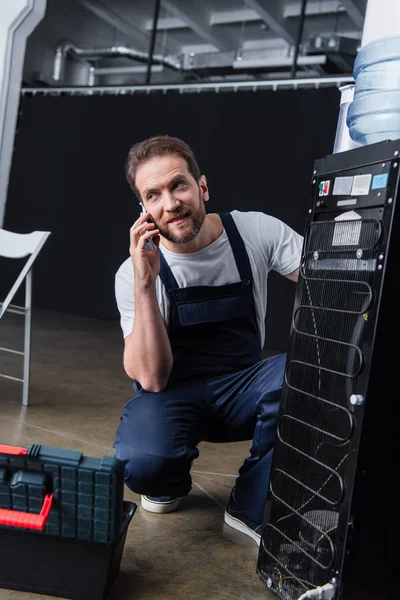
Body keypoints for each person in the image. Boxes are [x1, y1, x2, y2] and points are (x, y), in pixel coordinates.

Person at [114, 135, 303, 546]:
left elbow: (326, 282)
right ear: (143, 210)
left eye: (178, 185)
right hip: (172, 396)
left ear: (201, 187)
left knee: (304, 375)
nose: (170, 203)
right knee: (145, 461)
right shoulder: (132, 274)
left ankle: (250, 505)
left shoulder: (253, 230)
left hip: (245, 389)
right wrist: (146, 285)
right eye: (154, 195)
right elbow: (151, 379)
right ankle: (164, 479)